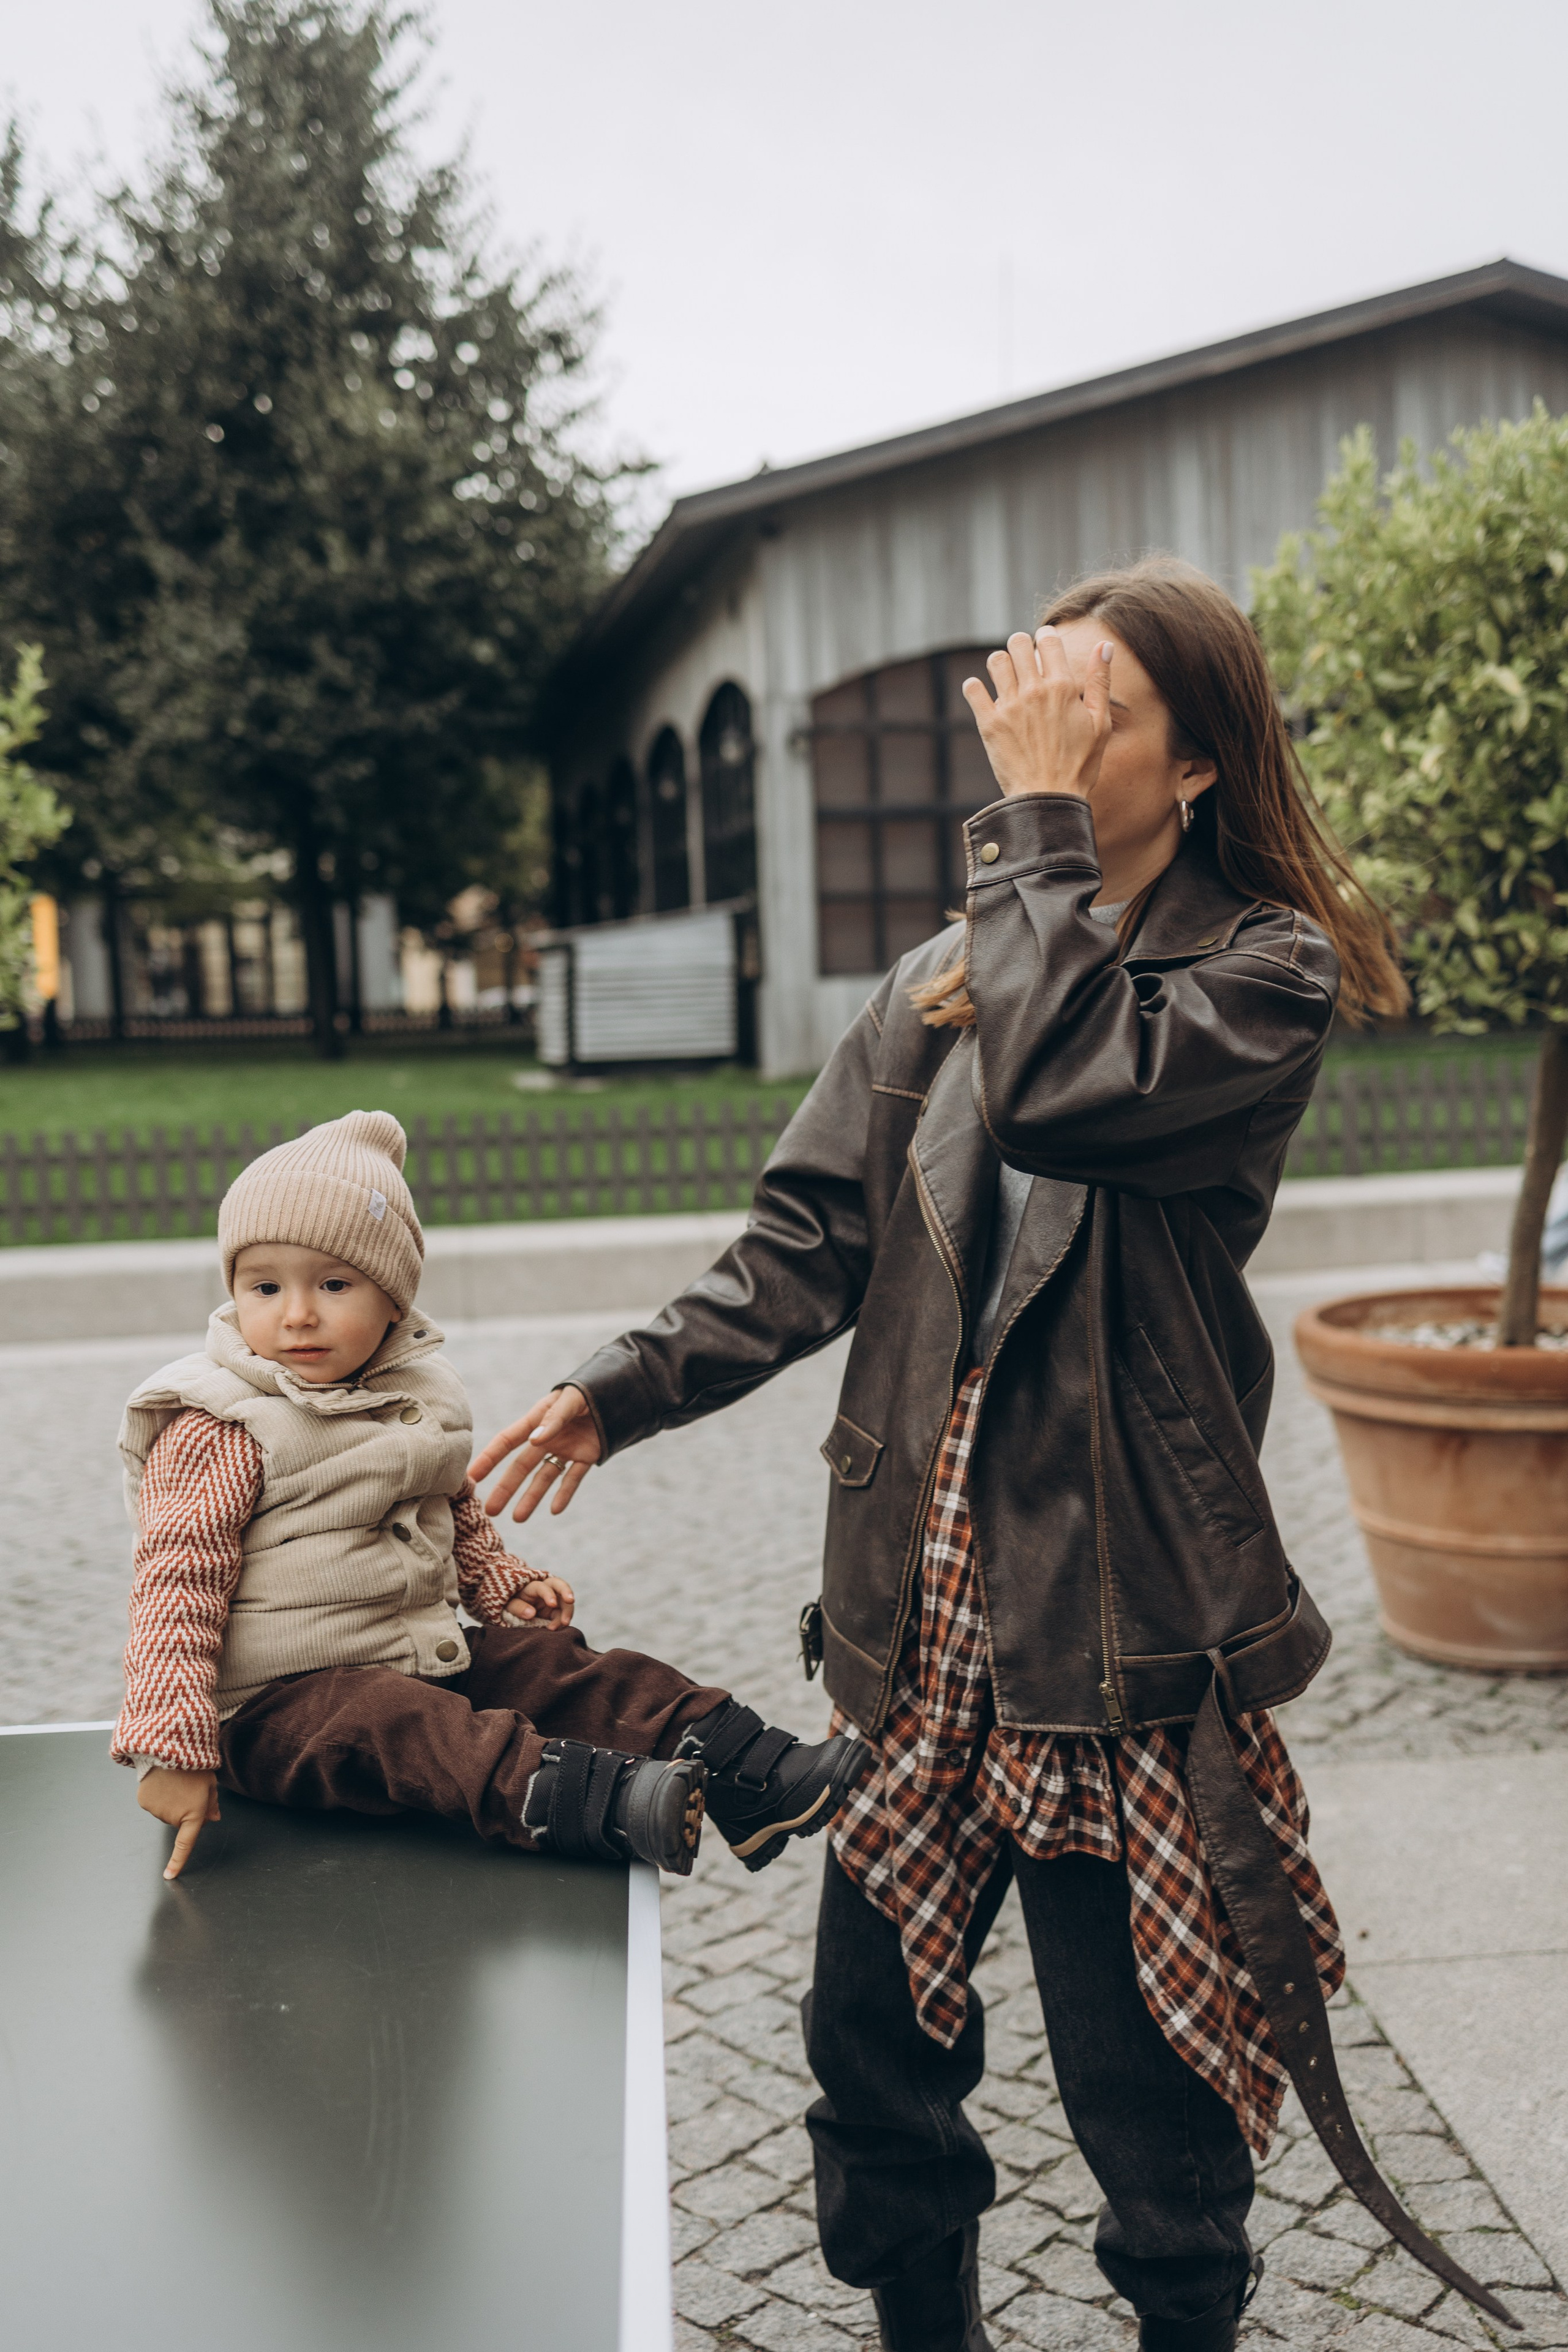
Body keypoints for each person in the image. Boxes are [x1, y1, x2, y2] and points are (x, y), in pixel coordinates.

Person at [470, 560, 1515, 2352]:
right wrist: (618, 1386)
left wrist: (1029, 828)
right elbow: (806, 1239)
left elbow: (1064, 1084)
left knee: (1150, 2111)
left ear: (1196, 764)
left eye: (1092, 708)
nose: (1038, 727)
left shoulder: (1258, 971)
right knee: (870, 2071)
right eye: (1037, 692)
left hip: (1114, 1631)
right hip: (920, 1623)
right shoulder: (940, 980)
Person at [113, 1109, 865, 1885]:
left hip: (406, 1660)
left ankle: (752, 1774)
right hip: (272, 1716)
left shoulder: (416, 1395)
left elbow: (448, 1507)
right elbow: (174, 1587)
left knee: (555, 1666)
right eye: (265, 1287)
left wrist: (498, 1581)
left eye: (334, 1284)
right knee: (408, 1724)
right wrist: (172, 1750)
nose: (297, 1313)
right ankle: (601, 1803)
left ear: (393, 1300)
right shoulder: (220, 1424)